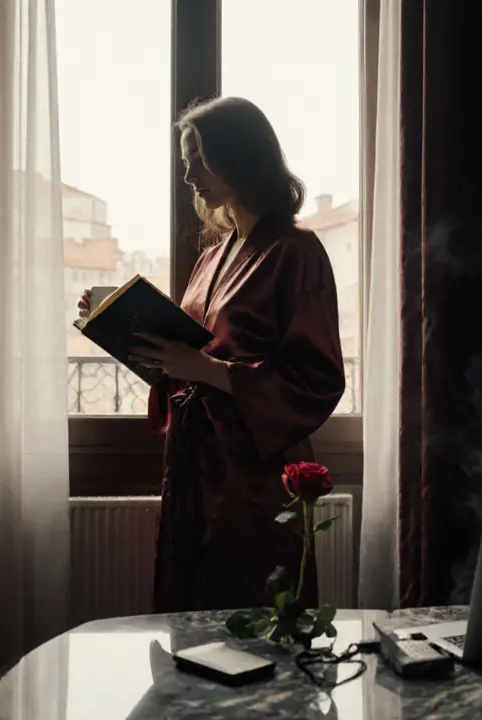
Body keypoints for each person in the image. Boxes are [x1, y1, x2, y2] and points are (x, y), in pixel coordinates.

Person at [77, 97, 344, 611]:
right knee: (191, 614)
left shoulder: (296, 251)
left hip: (254, 477)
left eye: (200, 158)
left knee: (254, 613)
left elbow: (316, 378)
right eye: (185, 162)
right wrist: (117, 318)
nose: (189, 175)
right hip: (194, 465)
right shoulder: (210, 257)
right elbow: (184, 354)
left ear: (242, 155)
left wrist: (206, 370)